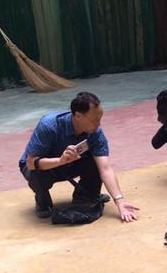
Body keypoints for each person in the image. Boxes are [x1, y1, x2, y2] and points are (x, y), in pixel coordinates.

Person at [19, 92, 138, 222]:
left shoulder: (95, 133)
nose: (98, 124)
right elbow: (30, 163)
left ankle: (84, 198)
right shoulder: (49, 125)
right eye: (94, 120)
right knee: (36, 173)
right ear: (78, 116)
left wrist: (119, 201)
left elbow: (105, 168)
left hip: (70, 164)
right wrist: (60, 160)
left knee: (94, 162)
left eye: (100, 118)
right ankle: (42, 199)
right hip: (42, 168)